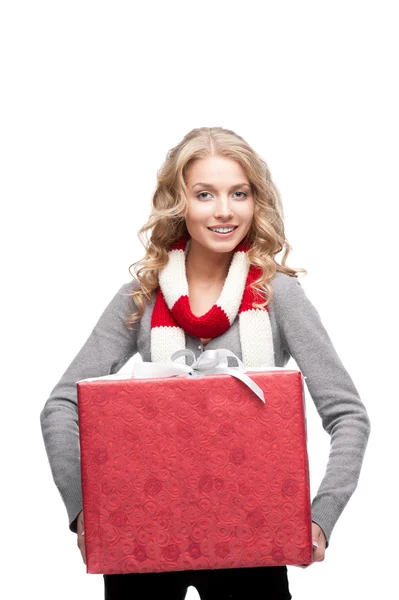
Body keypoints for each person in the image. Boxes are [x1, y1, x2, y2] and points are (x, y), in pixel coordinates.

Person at [40, 126, 371, 600]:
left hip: (253, 538)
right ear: (179, 203)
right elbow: (60, 405)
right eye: (204, 194)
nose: (223, 210)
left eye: (239, 193)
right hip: (144, 541)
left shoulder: (278, 296)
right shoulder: (140, 298)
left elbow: (348, 415)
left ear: (256, 202)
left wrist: (321, 516)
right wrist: (84, 511)